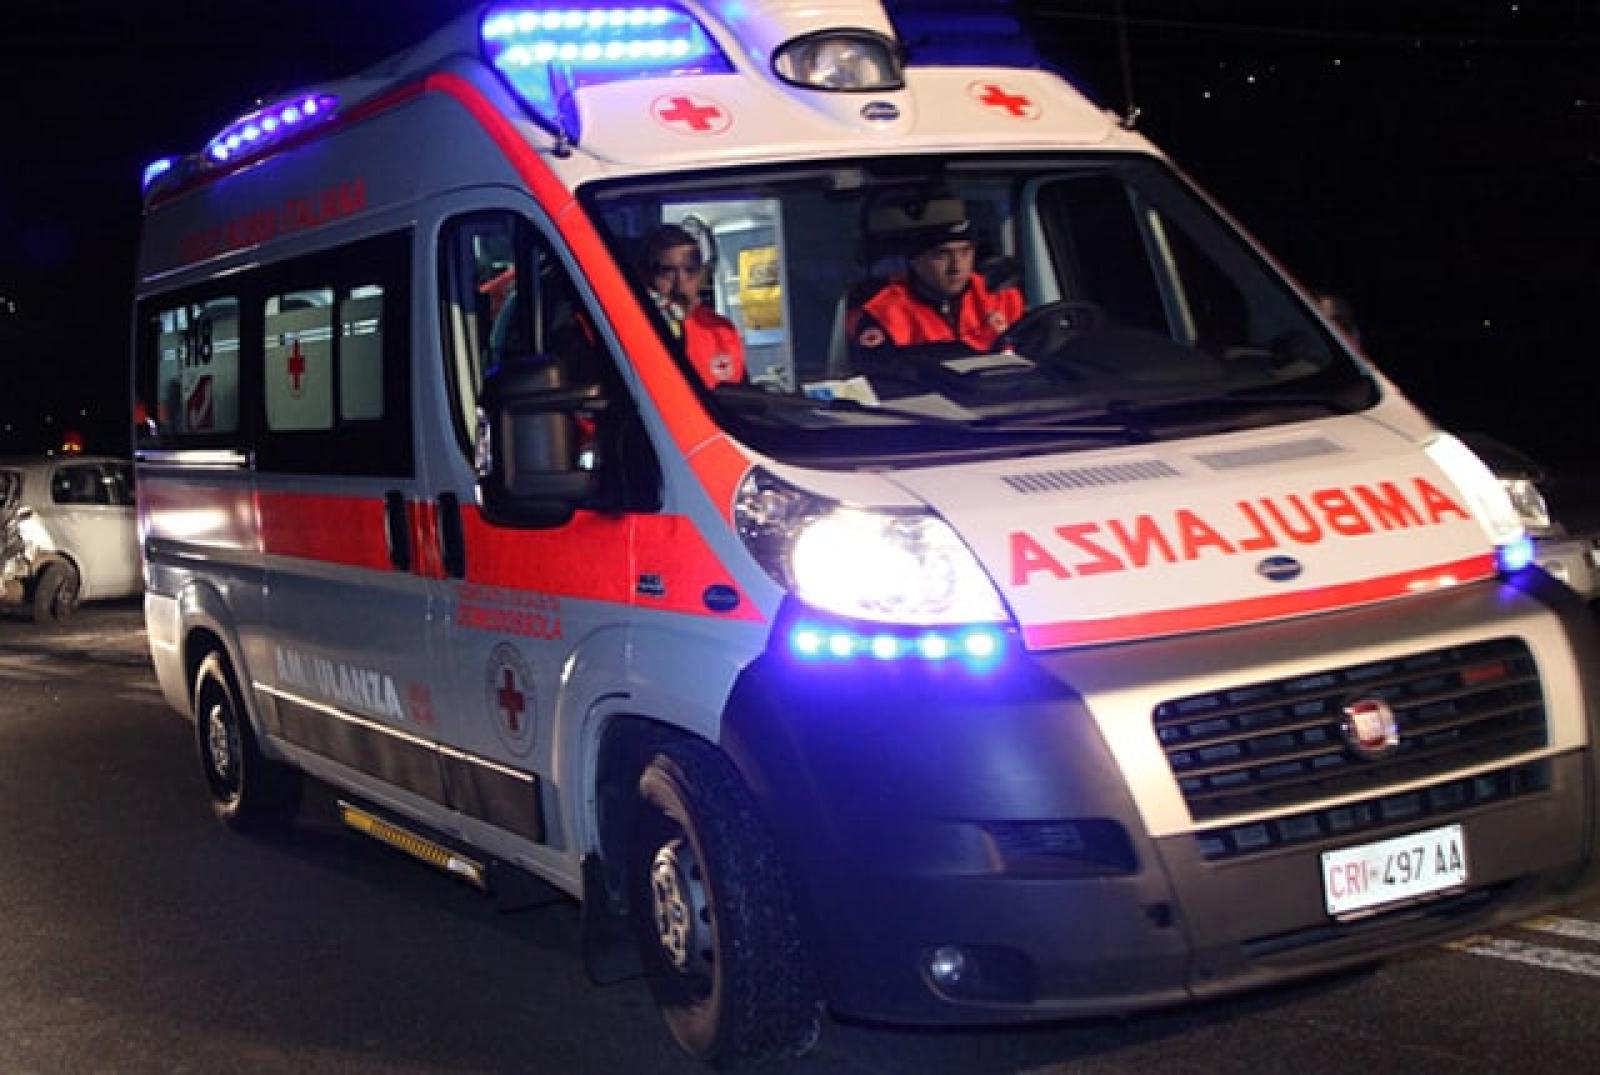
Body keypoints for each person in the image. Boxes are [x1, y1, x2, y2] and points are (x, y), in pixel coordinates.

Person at [846, 196, 1024, 365]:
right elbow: (884, 378)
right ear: (915, 261)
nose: (957, 266)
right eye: (942, 255)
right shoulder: (885, 312)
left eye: (965, 252)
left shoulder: (1003, 298)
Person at [639, 223, 746, 388]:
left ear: (701, 275)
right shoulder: (635, 329)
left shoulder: (721, 331)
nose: (680, 283)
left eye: (690, 270)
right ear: (647, 276)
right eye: (667, 272)